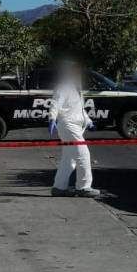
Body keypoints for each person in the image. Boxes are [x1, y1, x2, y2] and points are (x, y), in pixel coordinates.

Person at [48, 61, 100, 198]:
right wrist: (52, 119)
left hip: (75, 126)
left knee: (69, 159)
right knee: (83, 154)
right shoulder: (63, 87)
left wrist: (89, 122)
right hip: (68, 126)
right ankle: (83, 187)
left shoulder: (77, 88)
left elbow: (79, 110)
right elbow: (55, 103)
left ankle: (59, 187)